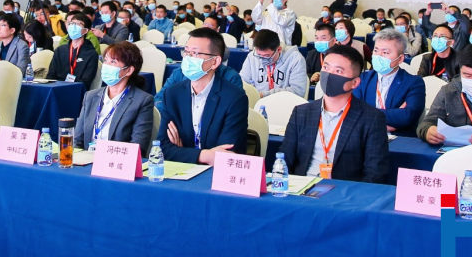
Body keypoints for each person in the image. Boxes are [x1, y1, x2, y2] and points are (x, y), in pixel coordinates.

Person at [281, 44, 390, 183]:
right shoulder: (301, 113)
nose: (329, 75)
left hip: (345, 192)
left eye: (338, 71)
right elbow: (284, 160)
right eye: (326, 68)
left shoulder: (372, 119)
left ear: (354, 83)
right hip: (302, 188)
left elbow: (375, 174)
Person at [158, 27, 247, 164]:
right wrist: (204, 155)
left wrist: (182, 151)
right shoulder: (173, 94)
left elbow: (226, 153)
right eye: (186, 52)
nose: (188, 58)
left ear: (215, 62)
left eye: (195, 53)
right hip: (180, 171)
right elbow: (162, 148)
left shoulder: (234, 98)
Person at [78, 41, 155, 155]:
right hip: (87, 160)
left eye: (113, 62)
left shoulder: (142, 101)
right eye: (105, 60)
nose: (106, 65)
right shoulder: (90, 96)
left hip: (117, 162)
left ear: (129, 70)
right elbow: (77, 140)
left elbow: (138, 147)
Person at [353, 29, 425, 135]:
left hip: (399, 140)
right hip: (365, 136)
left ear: (400, 59)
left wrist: (366, 113)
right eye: (376, 50)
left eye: (385, 52)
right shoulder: (363, 79)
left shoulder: (414, 83)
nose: (379, 56)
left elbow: (407, 116)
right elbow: (353, 112)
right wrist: (389, 119)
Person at [239, 29, 306, 99]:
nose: (262, 59)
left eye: (267, 56)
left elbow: (298, 91)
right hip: (257, 101)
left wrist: (264, 95)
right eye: (259, 55)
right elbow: (242, 84)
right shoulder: (252, 57)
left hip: (285, 102)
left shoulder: (295, 59)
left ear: (279, 49)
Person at [47, 12, 100, 86]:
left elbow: (86, 81)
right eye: (72, 23)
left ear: (85, 30)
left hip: (77, 88)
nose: (73, 26)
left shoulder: (91, 54)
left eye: (78, 24)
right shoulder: (60, 50)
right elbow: (50, 75)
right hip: (56, 87)